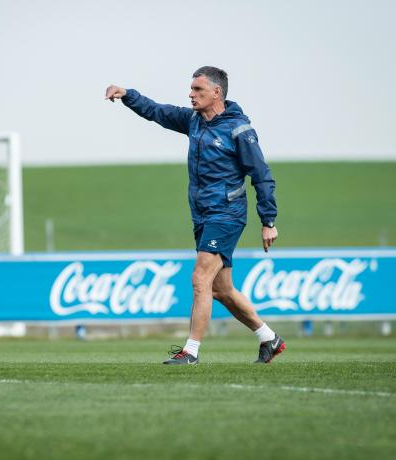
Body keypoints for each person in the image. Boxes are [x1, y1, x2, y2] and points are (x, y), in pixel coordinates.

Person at [105, 66, 285, 365]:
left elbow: (262, 176)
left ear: (217, 92)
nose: (191, 94)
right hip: (202, 215)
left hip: (226, 213)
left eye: (198, 90)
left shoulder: (239, 130)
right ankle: (269, 338)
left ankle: (191, 351)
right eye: (191, 89)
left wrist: (268, 221)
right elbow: (158, 111)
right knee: (221, 289)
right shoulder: (194, 120)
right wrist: (127, 95)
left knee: (200, 278)